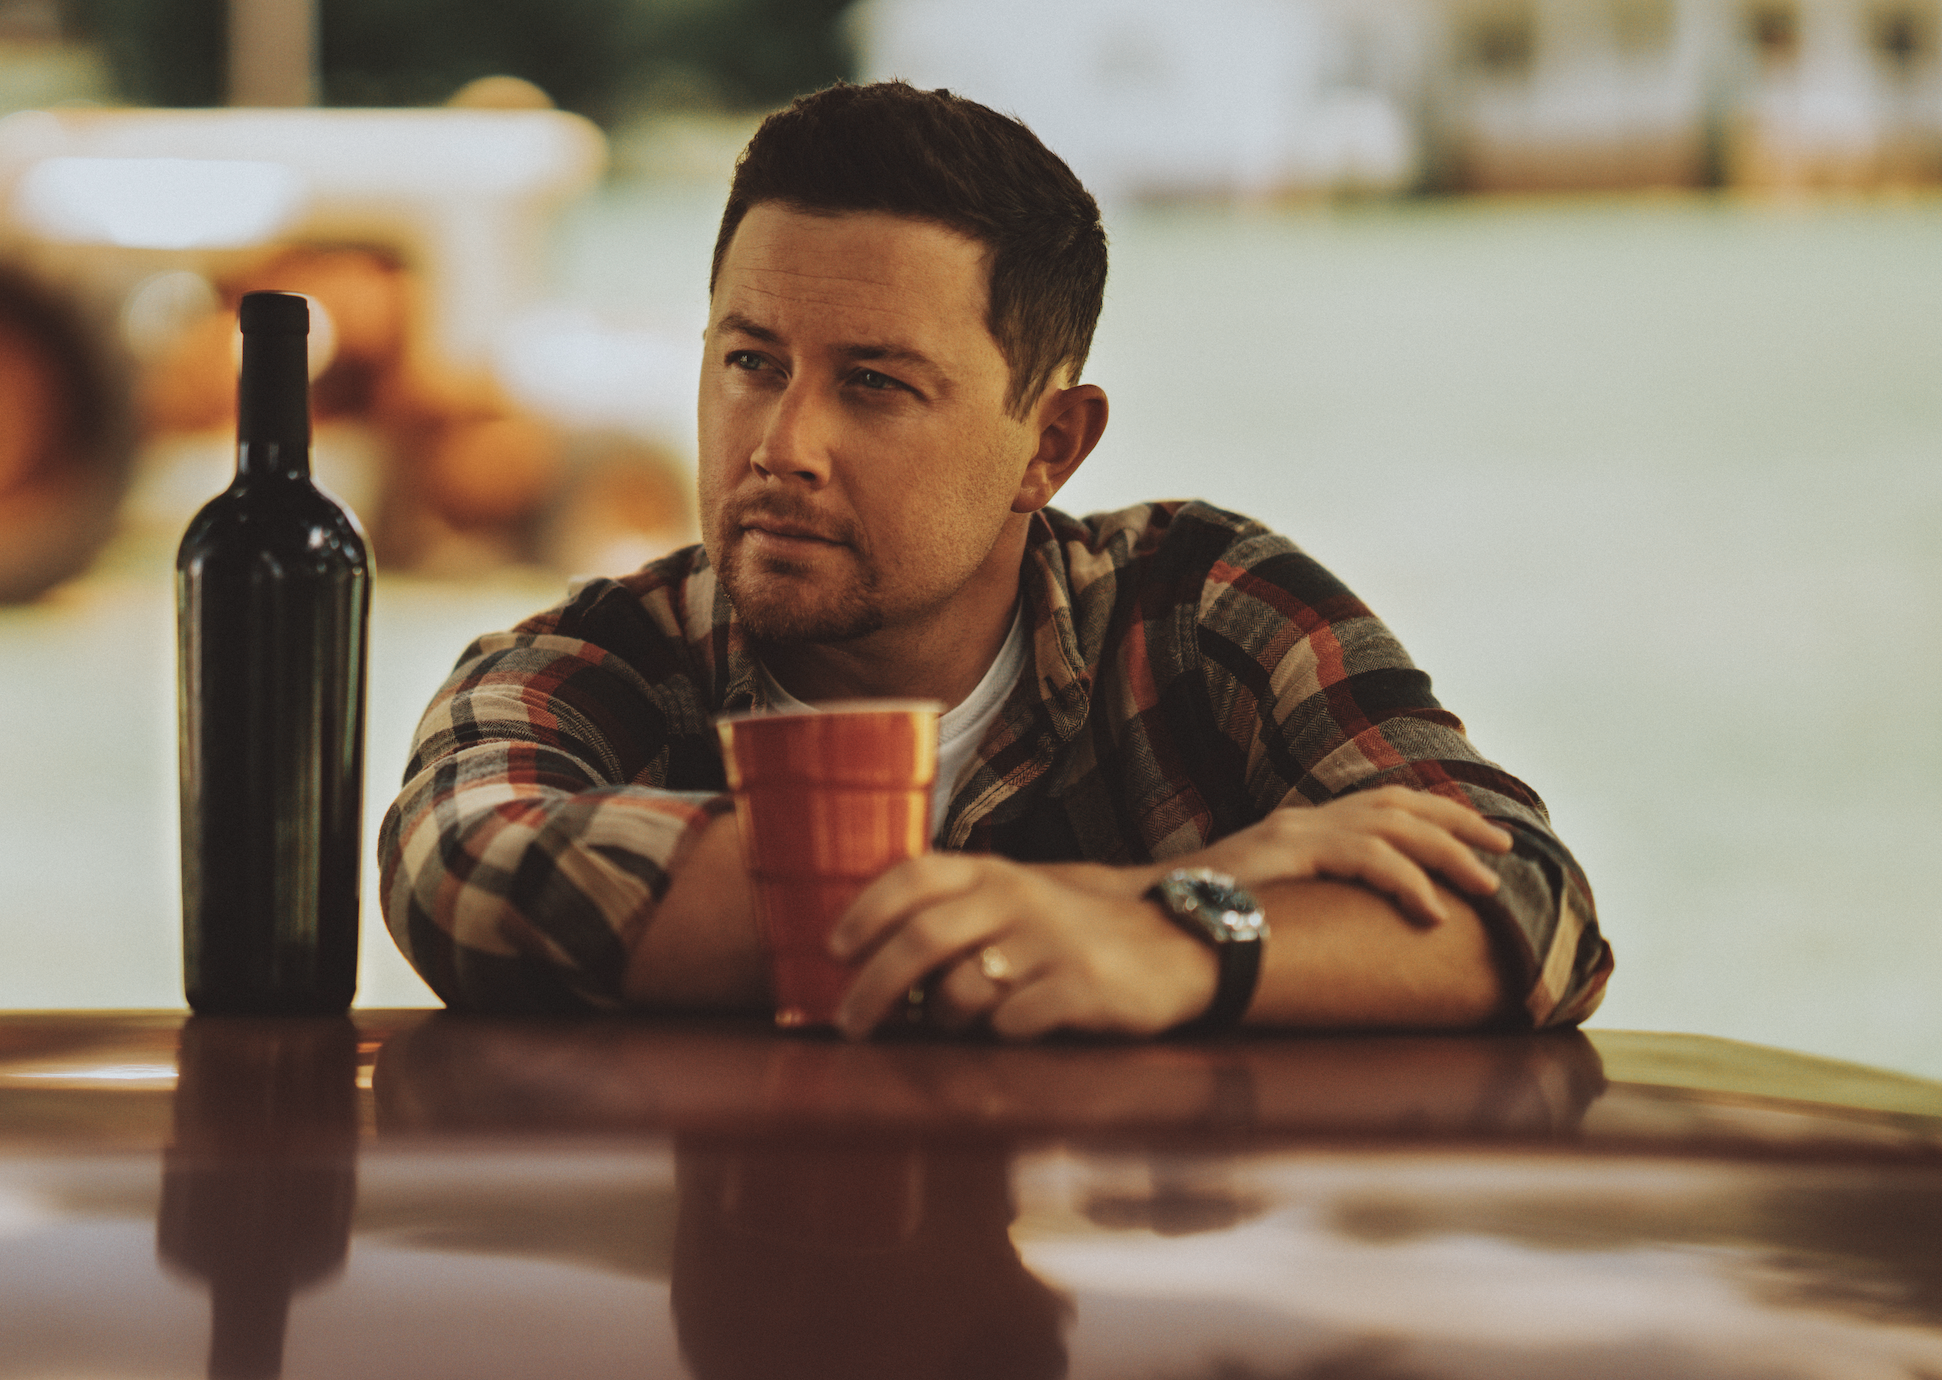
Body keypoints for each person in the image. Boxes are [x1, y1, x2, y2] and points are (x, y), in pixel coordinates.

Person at [378, 81, 1611, 1040]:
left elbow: (1532, 908)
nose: (782, 446)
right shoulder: (578, 668)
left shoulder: (1200, 609)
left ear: (1050, 447)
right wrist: (1154, 899)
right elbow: (464, 873)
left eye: (875, 385)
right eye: (751, 362)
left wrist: (1182, 946)